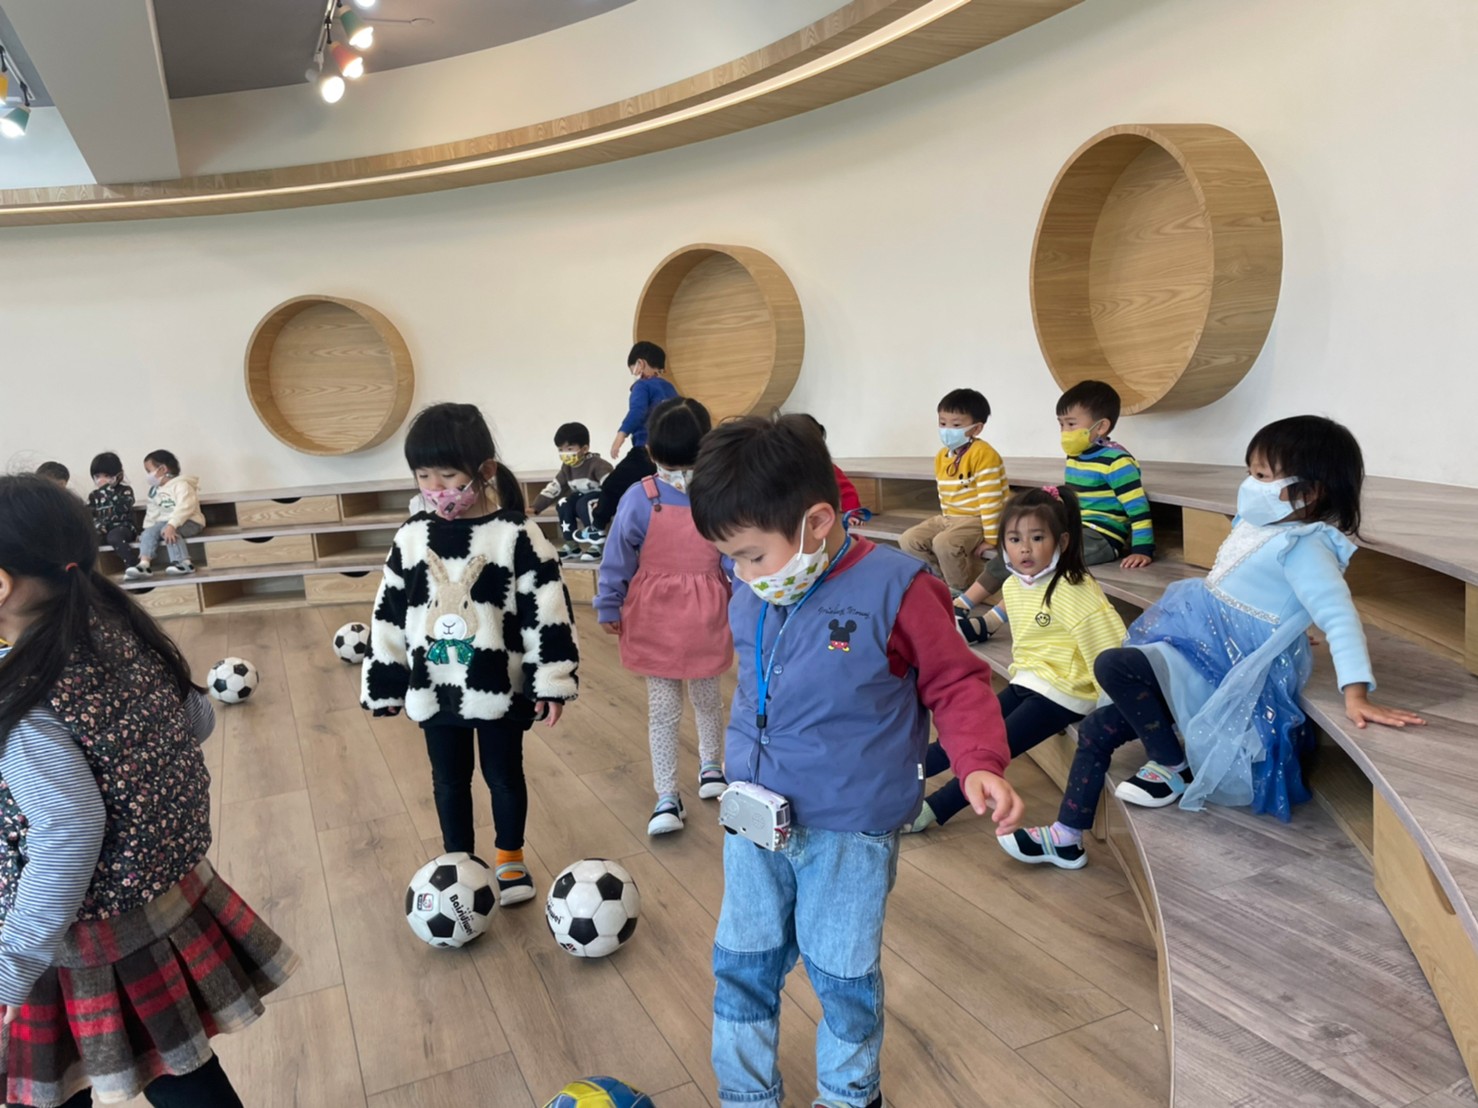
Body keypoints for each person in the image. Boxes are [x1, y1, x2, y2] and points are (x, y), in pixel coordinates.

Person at [689, 414, 1023, 1108]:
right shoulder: (758, 585)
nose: (741, 575)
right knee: (741, 964)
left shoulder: (899, 587)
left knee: (842, 977)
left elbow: (956, 683)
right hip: (754, 818)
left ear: (816, 522)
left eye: (751, 556)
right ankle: (745, 1096)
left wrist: (979, 761)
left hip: (848, 830)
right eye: (730, 559)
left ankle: (848, 1095)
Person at [999, 416, 1425, 870]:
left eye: (1263, 475)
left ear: (1309, 491)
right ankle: (1067, 837)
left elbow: (1340, 616)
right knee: (1096, 729)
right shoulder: (1257, 523)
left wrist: (1356, 693)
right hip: (1198, 646)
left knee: (1114, 665)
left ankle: (1171, 765)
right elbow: (1266, 592)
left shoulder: (1304, 546)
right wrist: (1293, 625)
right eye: (1251, 472)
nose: (1250, 483)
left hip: (1229, 666)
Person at [0, 475, 296, 1107]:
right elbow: (199, 719)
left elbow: (69, 830)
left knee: (46, 1085)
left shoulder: (24, 698)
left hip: (66, 934)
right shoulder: (119, 631)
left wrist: (11, 966)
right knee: (178, 1064)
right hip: (161, 896)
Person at [360, 403, 580, 904]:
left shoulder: (516, 535)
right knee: (448, 780)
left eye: (447, 474)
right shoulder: (411, 537)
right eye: (423, 476)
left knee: (504, 775)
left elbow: (548, 610)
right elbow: (390, 613)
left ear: (483, 470)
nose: (435, 487)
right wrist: (386, 683)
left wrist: (552, 680)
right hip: (435, 688)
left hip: (499, 687)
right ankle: (459, 863)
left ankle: (509, 858)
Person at [908, 486, 1126, 833]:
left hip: (1066, 692)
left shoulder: (1075, 590)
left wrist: (1106, 709)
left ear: (1062, 541)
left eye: (1037, 538)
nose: (1025, 548)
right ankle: (898, 778)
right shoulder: (1013, 586)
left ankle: (932, 809)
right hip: (1028, 680)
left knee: (993, 750)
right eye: (1014, 539)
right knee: (969, 734)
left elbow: (1109, 650)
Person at [594, 398, 732, 835]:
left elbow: (732, 556)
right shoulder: (643, 498)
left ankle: (704, 772)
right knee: (676, 706)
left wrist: (749, 601)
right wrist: (608, 602)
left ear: (649, 450)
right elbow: (617, 556)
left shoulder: (714, 497)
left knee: (695, 702)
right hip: (666, 618)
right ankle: (672, 791)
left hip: (696, 616)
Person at [957, 380, 1154, 631]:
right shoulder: (1077, 455)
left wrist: (1142, 549)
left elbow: (1138, 508)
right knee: (1012, 551)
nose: (1064, 431)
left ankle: (990, 623)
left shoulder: (1118, 462)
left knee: (1040, 561)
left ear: (1101, 426)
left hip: (1102, 538)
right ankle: (962, 603)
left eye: (1071, 424)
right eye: (1061, 424)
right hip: (1076, 529)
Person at [898, 388, 1006, 592]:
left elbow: (991, 500)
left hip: (976, 518)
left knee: (944, 543)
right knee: (908, 539)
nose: (947, 430)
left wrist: (992, 538)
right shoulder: (942, 456)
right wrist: (946, 521)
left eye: (956, 425)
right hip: (949, 517)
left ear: (976, 428)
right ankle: (937, 583)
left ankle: (958, 590)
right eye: (942, 423)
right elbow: (944, 494)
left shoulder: (984, 454)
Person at [578, 341, 679, 545]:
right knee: (656, 494)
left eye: (632, 368)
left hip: (645, 451)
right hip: (669, 455)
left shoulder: (642, 386)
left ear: (640, 364)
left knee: (613, 485)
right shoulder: (669, 388)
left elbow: (637, 412)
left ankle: (598, 527)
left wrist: (621, 435)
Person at [530, 423, 613, 560]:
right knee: (563, 502)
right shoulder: (567, 467)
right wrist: (536, 506)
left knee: (583, 502)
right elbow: (555, 487)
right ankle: (571, 544)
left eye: (569, 449)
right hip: (582, 498)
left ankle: (598, 542)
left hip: (599, 498)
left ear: (584, 448)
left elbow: (611, 486)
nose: (564, 454)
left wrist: (604, 504)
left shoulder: (598, 464)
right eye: (560, 449)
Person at [123, 451, 205, 579]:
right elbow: (152, 512)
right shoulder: (155, 490)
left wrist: (172, 525)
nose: (148, 475)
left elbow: (185, 508)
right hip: (165, 523)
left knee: (167, 530)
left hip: (190, 521)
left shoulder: (182, 485)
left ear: (162, 469)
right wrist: (147, 531)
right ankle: (144, 564)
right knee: (149, 532)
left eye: (149, 471)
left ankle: (184, 563)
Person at [793, 414, 866, 524]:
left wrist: (851, 514)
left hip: (816, 520)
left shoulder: (824, 468)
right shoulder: (780, 469)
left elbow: (847, 491)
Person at [87, 453, 139, 570]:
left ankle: (132, 564)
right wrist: (98, 525)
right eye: (97, 476)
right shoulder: (94, 495)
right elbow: (90, 514)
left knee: (115, 537)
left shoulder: (125, 491)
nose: (101, 479)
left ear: (118, 475)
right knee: (88, 539)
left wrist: (107, 490)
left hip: (123, 527)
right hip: (103, 529)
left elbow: (124, 507)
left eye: (106, 475)